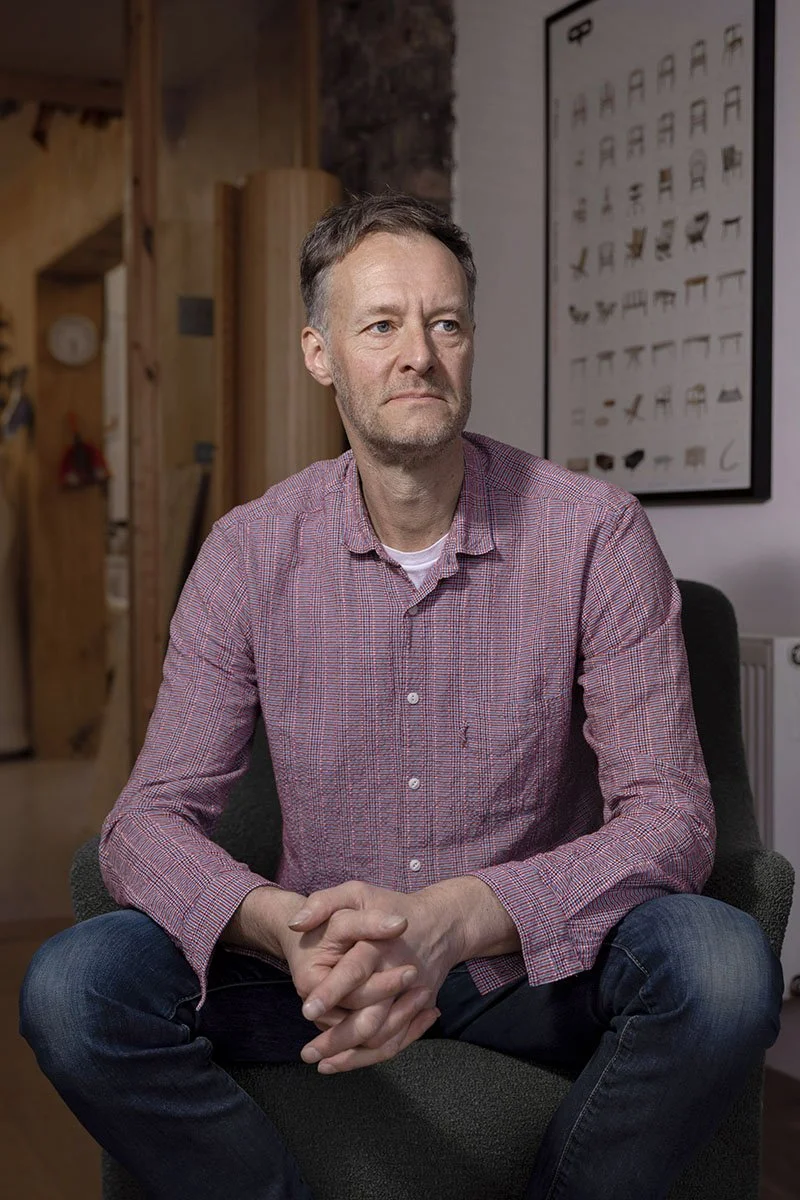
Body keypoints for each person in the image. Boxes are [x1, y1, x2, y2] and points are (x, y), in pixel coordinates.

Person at [20, 193, 782, 1200]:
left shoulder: (592, 533)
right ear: (319, 353)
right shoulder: (249, 551)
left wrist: (456, 921)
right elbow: (145, 821)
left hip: (532, 964)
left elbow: (674, 820)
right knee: (76, 989)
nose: (418, 352)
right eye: (380, 324)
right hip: (313, 971)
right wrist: (276, 925)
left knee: (722, 970)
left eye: (445, 322)